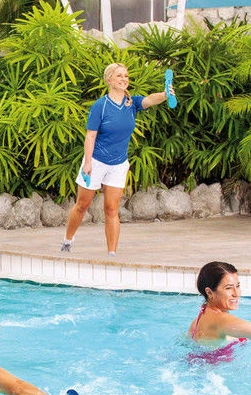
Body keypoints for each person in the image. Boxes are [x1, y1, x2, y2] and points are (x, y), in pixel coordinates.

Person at [61, 63, 175, 256]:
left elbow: (149, 100)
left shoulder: (131, 103)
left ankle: (111, 254)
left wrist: (165, 94)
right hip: (96, 161)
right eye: (119, 76)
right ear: (109, 80)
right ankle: (67, 240)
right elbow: (90, 136)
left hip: (119, 164)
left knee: (112, 209)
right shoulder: (101, 106)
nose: (124, 79)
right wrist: (87, 163)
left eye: (126, 76)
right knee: (82, 206)